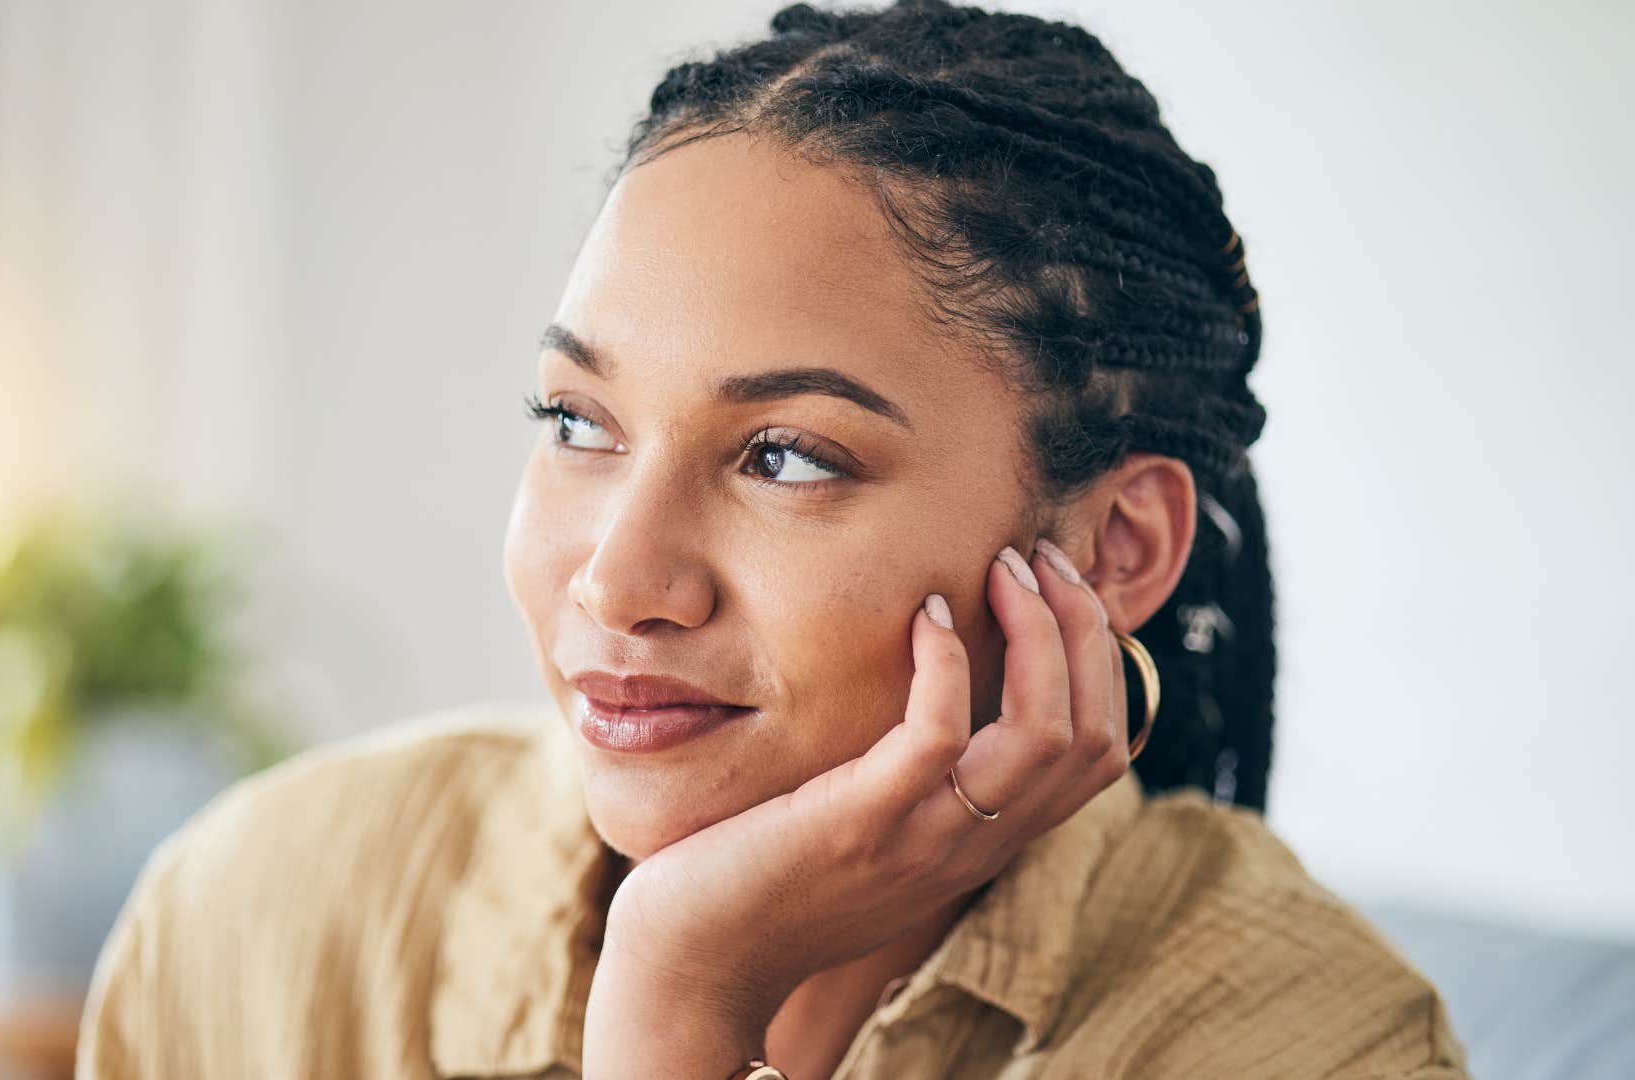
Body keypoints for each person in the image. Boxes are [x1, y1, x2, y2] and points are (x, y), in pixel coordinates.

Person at [76, 1, 1470, 1076]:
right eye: (575, 420)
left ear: (1115, 550)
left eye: (786, 455)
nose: (617, 581)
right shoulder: (264, 904)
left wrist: (680, 1003)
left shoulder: (1310, 1039)